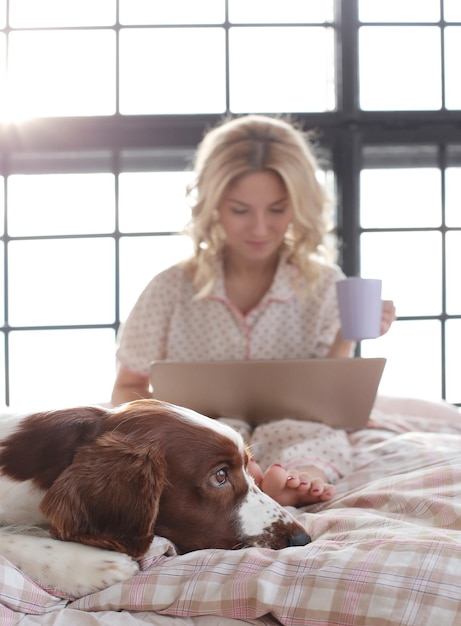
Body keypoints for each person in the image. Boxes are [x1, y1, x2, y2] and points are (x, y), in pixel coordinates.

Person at [112, 114, 395, 507]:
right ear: (213, 207)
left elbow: (328, 403)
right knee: (213, 437)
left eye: (278, 210)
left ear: (298, 206)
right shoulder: (169, 288)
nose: (260, 229)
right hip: (203, 431)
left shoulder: (325, 284)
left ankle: (296, 481)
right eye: (241, 210)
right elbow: (126, 387)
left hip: (297, 427)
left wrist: (348, 333)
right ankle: (246, 482)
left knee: (321, 435)